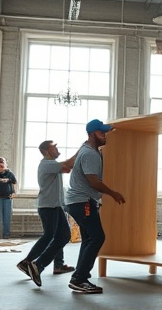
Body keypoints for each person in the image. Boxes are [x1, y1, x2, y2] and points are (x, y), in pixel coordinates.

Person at [66, 119, 126, 294]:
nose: (104, 135)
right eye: (101, 133)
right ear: (92, 134)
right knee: (97, 237)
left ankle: (79, 278)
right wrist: (113, 193)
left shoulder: (90, 150)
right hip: (82, 202)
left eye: (105, 132)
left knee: (89, 239)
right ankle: (79, 278)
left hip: (80, 201)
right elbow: (93, 181)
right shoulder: (90, 154)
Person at [19, 141, 77, 287]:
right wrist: (84, 148)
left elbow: (67, 168)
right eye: (54, 147)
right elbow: (69, 164)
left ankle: (56, 265)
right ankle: (33, 264)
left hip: (56, 206)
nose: (57, 149)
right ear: (46, 150)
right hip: (48, 207)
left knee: (63, 236)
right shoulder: (46, 164)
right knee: (50, 236)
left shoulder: (52, 165)